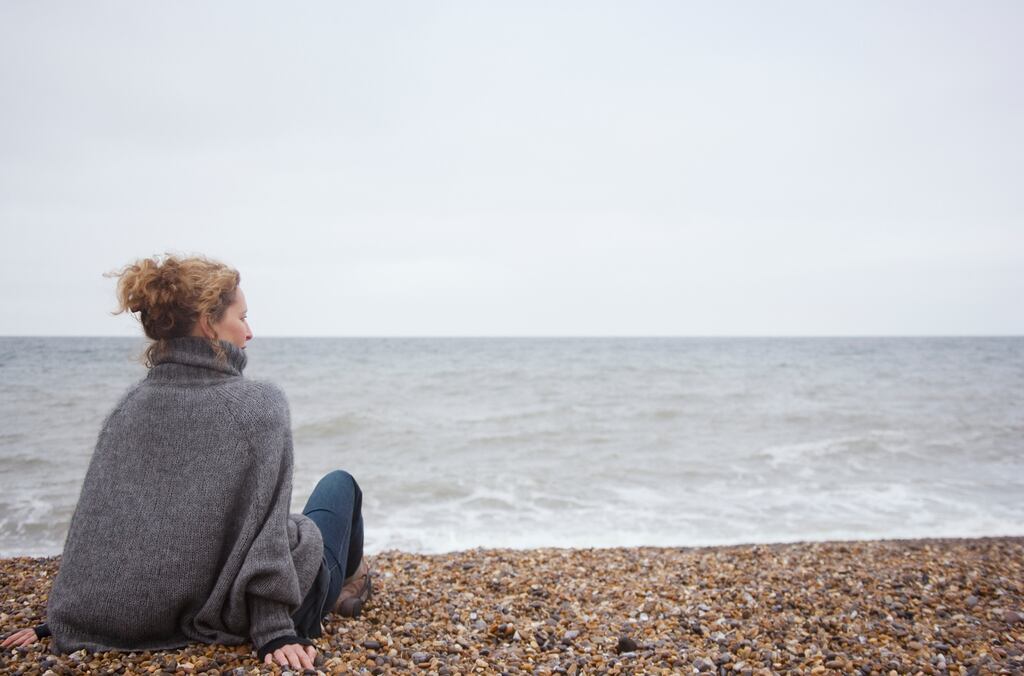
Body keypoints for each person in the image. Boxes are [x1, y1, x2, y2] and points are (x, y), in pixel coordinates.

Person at [1, 254, 371, 671]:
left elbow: (102, 527)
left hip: (161, 608)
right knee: (340, 485)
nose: (250, 332)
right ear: (209, 323)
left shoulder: (130, 407)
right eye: (242, 317)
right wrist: (274, 631)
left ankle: (350, 579)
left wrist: (68, 621)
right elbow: (266, 531)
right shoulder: (260, 406)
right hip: (269, 609)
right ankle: (352, 580)